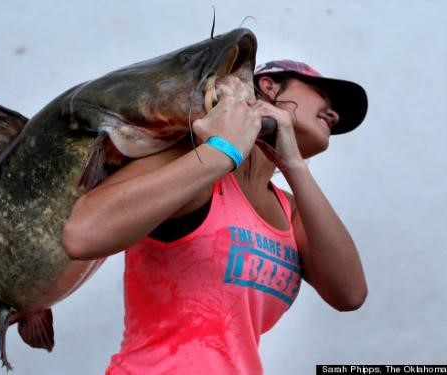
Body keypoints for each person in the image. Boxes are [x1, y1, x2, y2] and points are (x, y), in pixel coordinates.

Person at [62, 59, 369, 374]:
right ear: (270, 86)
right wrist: (222, 151)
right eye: (323, 96)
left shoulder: (290, 210)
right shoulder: (197, 167)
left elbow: (350, 294)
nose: (334, 113)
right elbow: (81, 234)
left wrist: (294, 166)